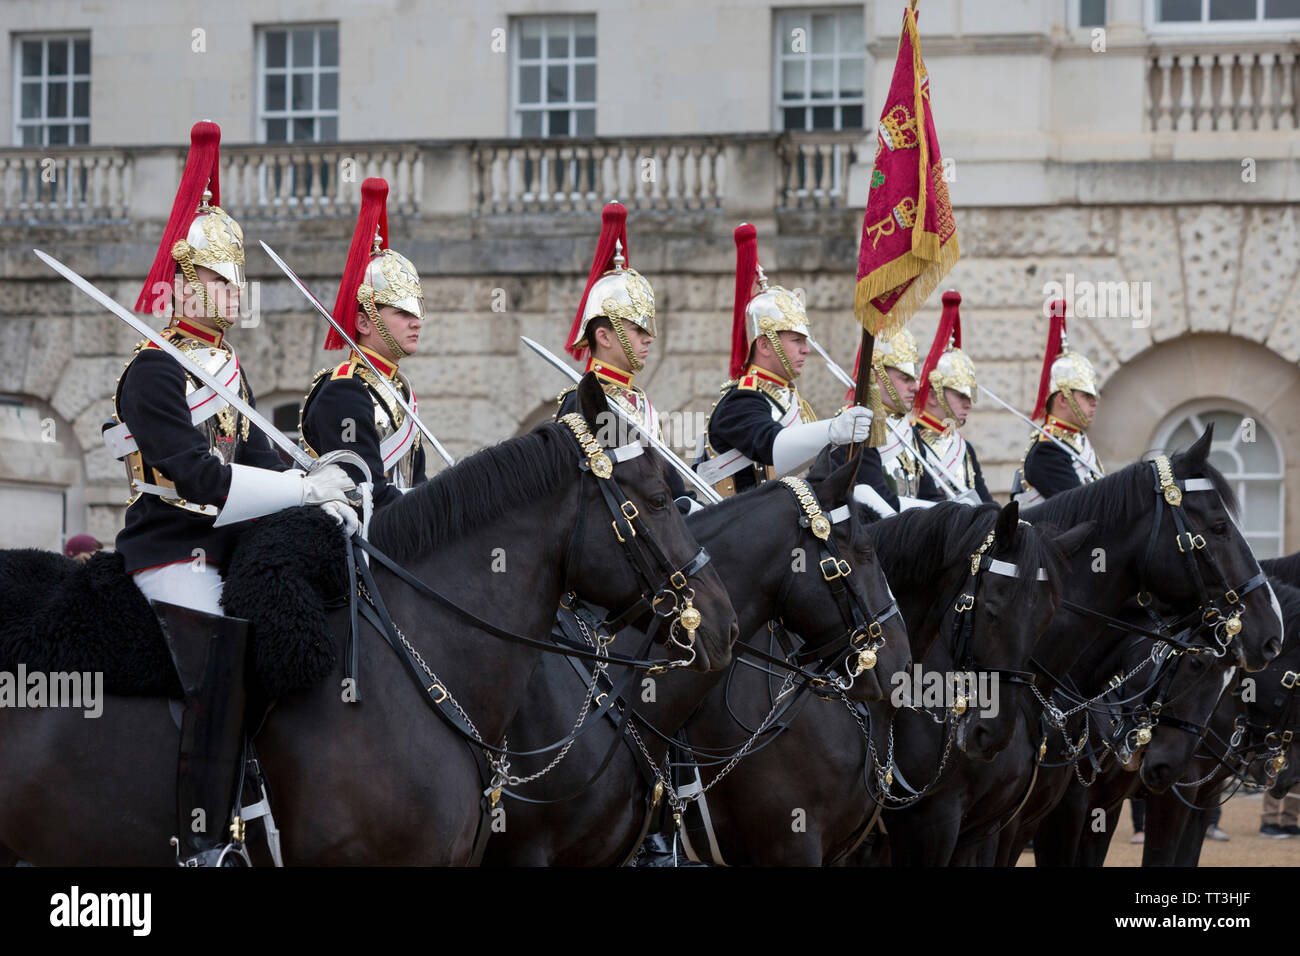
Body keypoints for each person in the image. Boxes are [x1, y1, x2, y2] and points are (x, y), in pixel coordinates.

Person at [105, 121, 356, 866]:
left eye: (234, 278)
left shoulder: (229, 371)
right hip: (170, 548)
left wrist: (320, 486)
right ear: (183, 282)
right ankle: (202, 838)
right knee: (225, 651)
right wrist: (301, 491)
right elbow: (202, 477)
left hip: (229, 546)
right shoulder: (154, 372)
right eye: (217, 278)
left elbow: (252, 455)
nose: (231, 291)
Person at [696, 223, 872, 497]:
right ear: (765, 344)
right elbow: (773, 446)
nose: (806, 350)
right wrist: (832, 430)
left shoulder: (798, 405)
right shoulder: (740, 402)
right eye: (797, 341)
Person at [555, 201, 696, 513]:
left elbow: (667, 483)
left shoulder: (639, 402)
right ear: (604, 337)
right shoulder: (580, 402)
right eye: (637, 329)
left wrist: (689, 504)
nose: (649, 337)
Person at [300, 177, 427, 511]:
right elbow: (365, 492)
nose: (417, 321)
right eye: (402, 313)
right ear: (363, 322)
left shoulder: (398, 389)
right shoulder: (345, 390)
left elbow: (417, 482)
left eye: (417, 312)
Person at [1010, 299, 1104, 504]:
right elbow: (1082, 507)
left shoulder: (1076, 442)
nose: (1094, 403)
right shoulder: (1047, 452)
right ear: (1063, 398)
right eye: (1087, 396)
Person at [912, 290, 993, 503]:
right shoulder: (909, 440)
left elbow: (984, 502)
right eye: (960, 395)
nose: (968, 404)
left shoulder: (964, 449)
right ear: (931, 396)